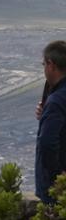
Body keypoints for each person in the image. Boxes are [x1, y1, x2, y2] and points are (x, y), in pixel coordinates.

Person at [35, 41, 66, 204]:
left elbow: (47, 144)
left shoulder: (56, 101)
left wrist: (58, 177)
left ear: (51, 65)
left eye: (44, 64)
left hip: (57, 190)